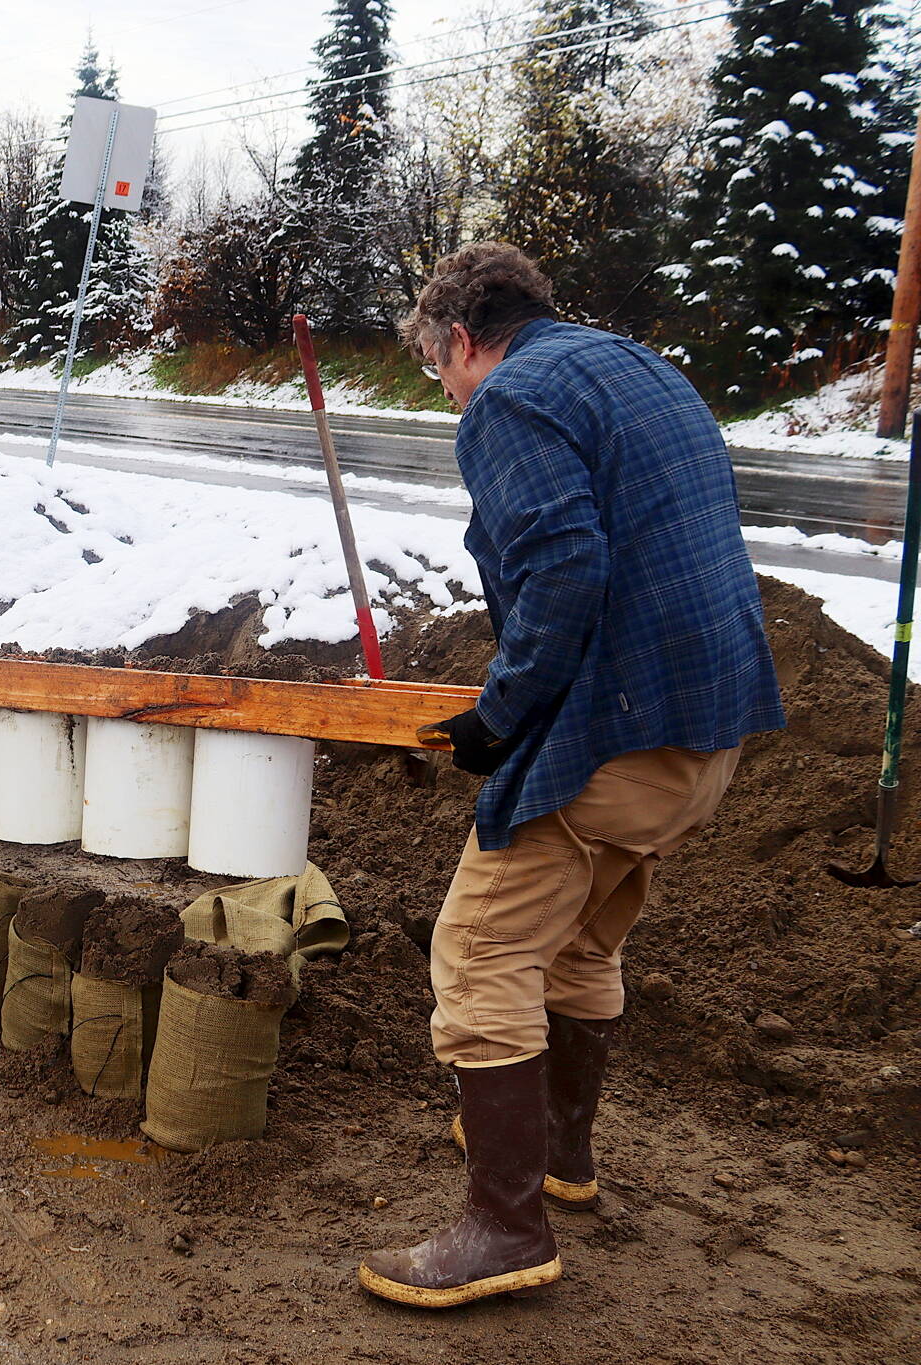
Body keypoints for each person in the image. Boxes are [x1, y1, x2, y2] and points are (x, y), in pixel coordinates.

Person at [359, 243, 784, 1308]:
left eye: (436, 370)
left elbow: (563, 566)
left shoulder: (508, 399)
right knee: (580, 938)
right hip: (708, 724)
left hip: (622, 725)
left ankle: (503, 1231)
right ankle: (559, 1161)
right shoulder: (636, 367)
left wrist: (500, 722)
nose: (447, 391)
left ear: (461, 340)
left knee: (479, 949)